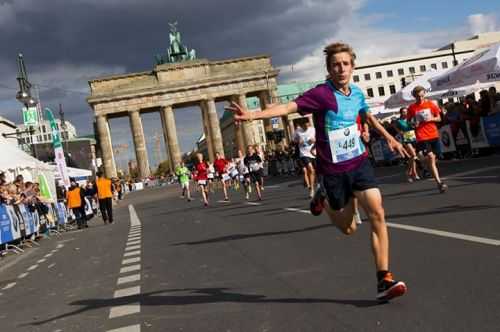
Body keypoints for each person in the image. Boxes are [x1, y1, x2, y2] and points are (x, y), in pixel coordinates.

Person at [227, 42, 408, 301]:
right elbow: (288, 108)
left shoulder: (356, 93)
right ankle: (322, 200)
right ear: (329, 69)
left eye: (346, 64)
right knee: (348, 229)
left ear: (352, 66)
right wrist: (255, 115)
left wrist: (390, 137)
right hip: (333, 171)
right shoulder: (322, 94)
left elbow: (367, 117)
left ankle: (384, 278)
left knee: (378, 212)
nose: (341, 69)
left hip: (359, 163)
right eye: (336, 65)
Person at [407, 86, 448, 193]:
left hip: (433, 134)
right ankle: (439, 183)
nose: (420, 98)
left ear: (424, 93)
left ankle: (421, 164)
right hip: (422, 135)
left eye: (421, 96)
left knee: (434, 158)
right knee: (430, 157)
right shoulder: (412, 108)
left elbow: (439, 118)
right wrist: (413, 124)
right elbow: (409, 122)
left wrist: (431, 118)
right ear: (414, 96)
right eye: (417, 97)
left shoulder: (431, 104)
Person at [393, 107, 419, 182]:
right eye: (403, 112)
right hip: (406, 138)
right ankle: (412, 172)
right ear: (401, 113)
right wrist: (399, 132)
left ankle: (411, 172)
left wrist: (415, 125)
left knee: (412, 156)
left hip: (413, 137)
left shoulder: (410, 119)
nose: (405, 113)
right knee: (413, 155)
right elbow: (396, 128)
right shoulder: (398, 121)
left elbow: (415, 126)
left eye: (406, 112)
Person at [293, 119, 316, 197]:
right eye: (304, 126)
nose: (306, 127)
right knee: (311, 169)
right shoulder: (297, 131)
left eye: (307, 125)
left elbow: (318, 138)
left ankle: (311, 186)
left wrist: (314, 140)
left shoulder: (313, 130)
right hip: (304, 154)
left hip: (313, 153)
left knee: (312, 171)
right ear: (301, 125)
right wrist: (298, 141)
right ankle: (312, 189)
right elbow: (293, 141)